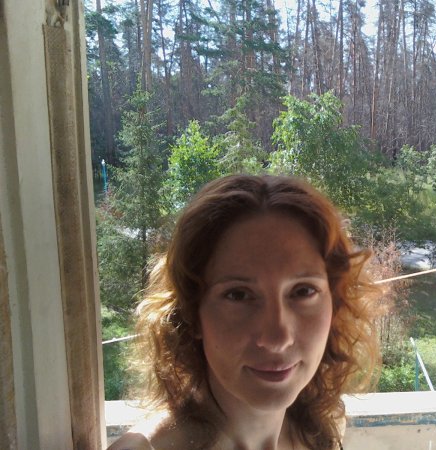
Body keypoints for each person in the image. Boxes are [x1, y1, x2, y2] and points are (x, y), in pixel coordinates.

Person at [108, 174, 384, 450]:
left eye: (303, 291)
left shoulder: (321, 431)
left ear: (334, 303)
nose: (277, 338)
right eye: (238, 295)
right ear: (192, 314)